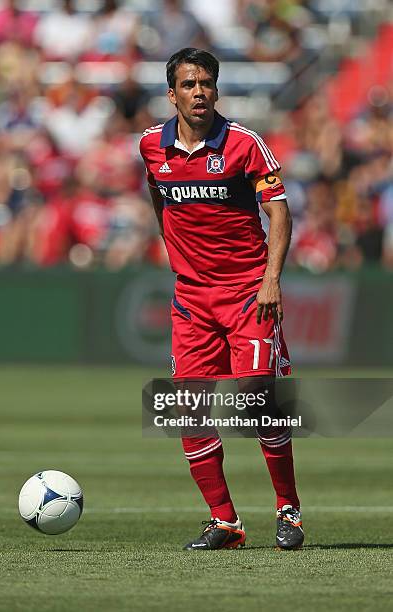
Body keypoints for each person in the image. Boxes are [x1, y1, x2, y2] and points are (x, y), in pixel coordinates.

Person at [139, 48, 303, 551]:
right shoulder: (151, 147)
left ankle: (288, 510)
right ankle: (224, 521)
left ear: (217, 89)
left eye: (206, 83)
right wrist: (173, 251)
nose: (199, 92)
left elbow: (278, 212)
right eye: (188, 84)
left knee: (259, 405)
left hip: (247, 295)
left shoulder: (243, 144)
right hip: (191, 300)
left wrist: (270, 279)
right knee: (187, 410)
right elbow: (157, 194)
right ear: (172, 94)